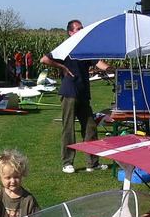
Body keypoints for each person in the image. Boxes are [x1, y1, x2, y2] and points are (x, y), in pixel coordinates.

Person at [40, 19, 111, 173]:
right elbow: (44, 59)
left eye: (82, 28)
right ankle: (67, 163)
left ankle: (92, 163)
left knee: (91, 127)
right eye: (78, 29)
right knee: (69, 128)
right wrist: (62, 66)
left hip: (84, 93)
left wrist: (115, 72)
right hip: (69, 93)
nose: (81, 30)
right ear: (71, 32)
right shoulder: (65, 47)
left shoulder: (86, 49)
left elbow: (100, 63)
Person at [0, 149, 40, 217]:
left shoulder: (28, 199)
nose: (13, 181)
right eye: (8, 178)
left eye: (16, 177)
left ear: (22, 174)